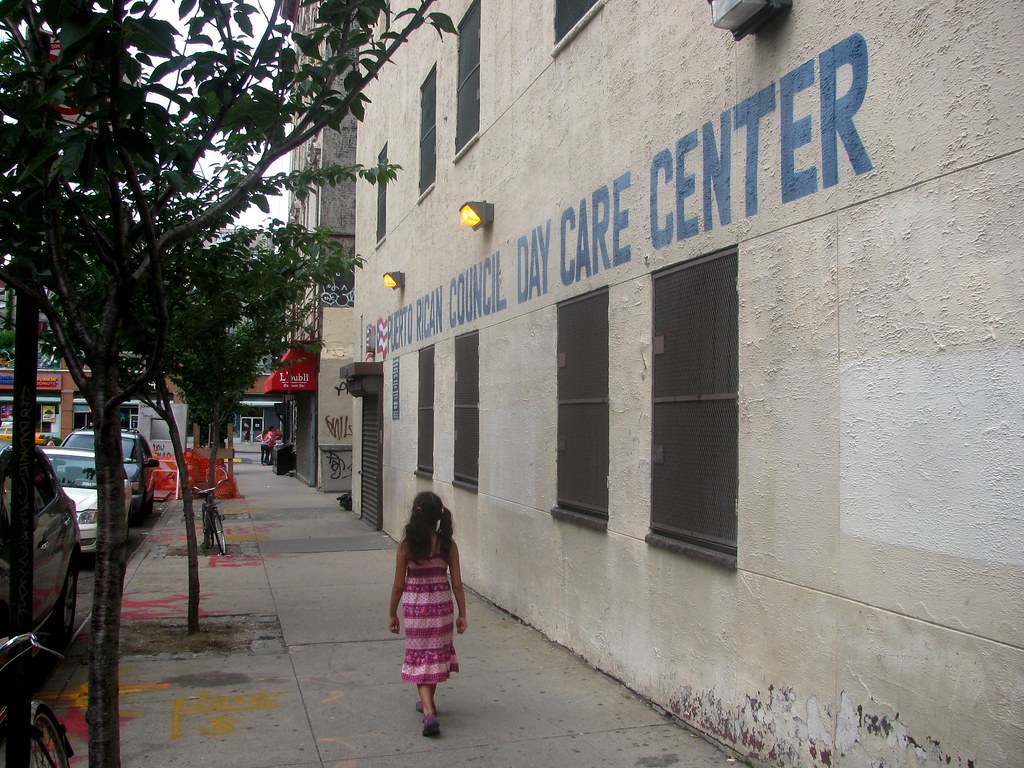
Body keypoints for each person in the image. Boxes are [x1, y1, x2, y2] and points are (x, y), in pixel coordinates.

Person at [388, 491, 467, 737]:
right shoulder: (448, 545)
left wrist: (392, 613)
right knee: (433, 657)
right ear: (438, 517)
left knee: (420, 657)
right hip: (442, 608)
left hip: (416, 610)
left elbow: (398, 586)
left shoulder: (407, 546)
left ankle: (428, 711)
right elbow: (457, 584)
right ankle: (427, 703)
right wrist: (462, 614)